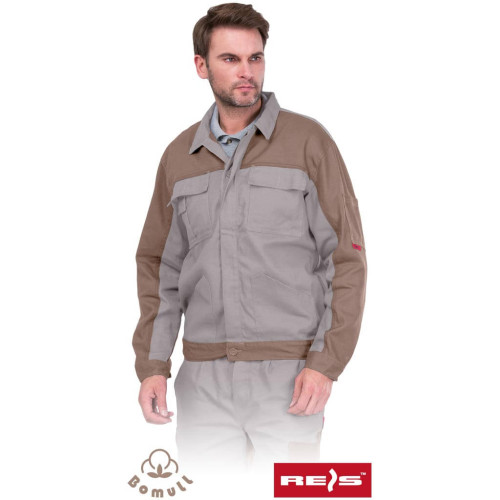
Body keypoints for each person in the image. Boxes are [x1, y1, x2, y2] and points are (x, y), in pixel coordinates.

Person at [132, 2, 367, 474]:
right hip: (203, 385)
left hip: (290, 379)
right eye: (230, 59)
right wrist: (153, 366)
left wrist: (325, 364)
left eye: (255, 58)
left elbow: (346, 260)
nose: (247, 72)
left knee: (294, 490)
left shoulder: (308, 142)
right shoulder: (179, 157)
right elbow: (160, 268)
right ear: (201, 66)